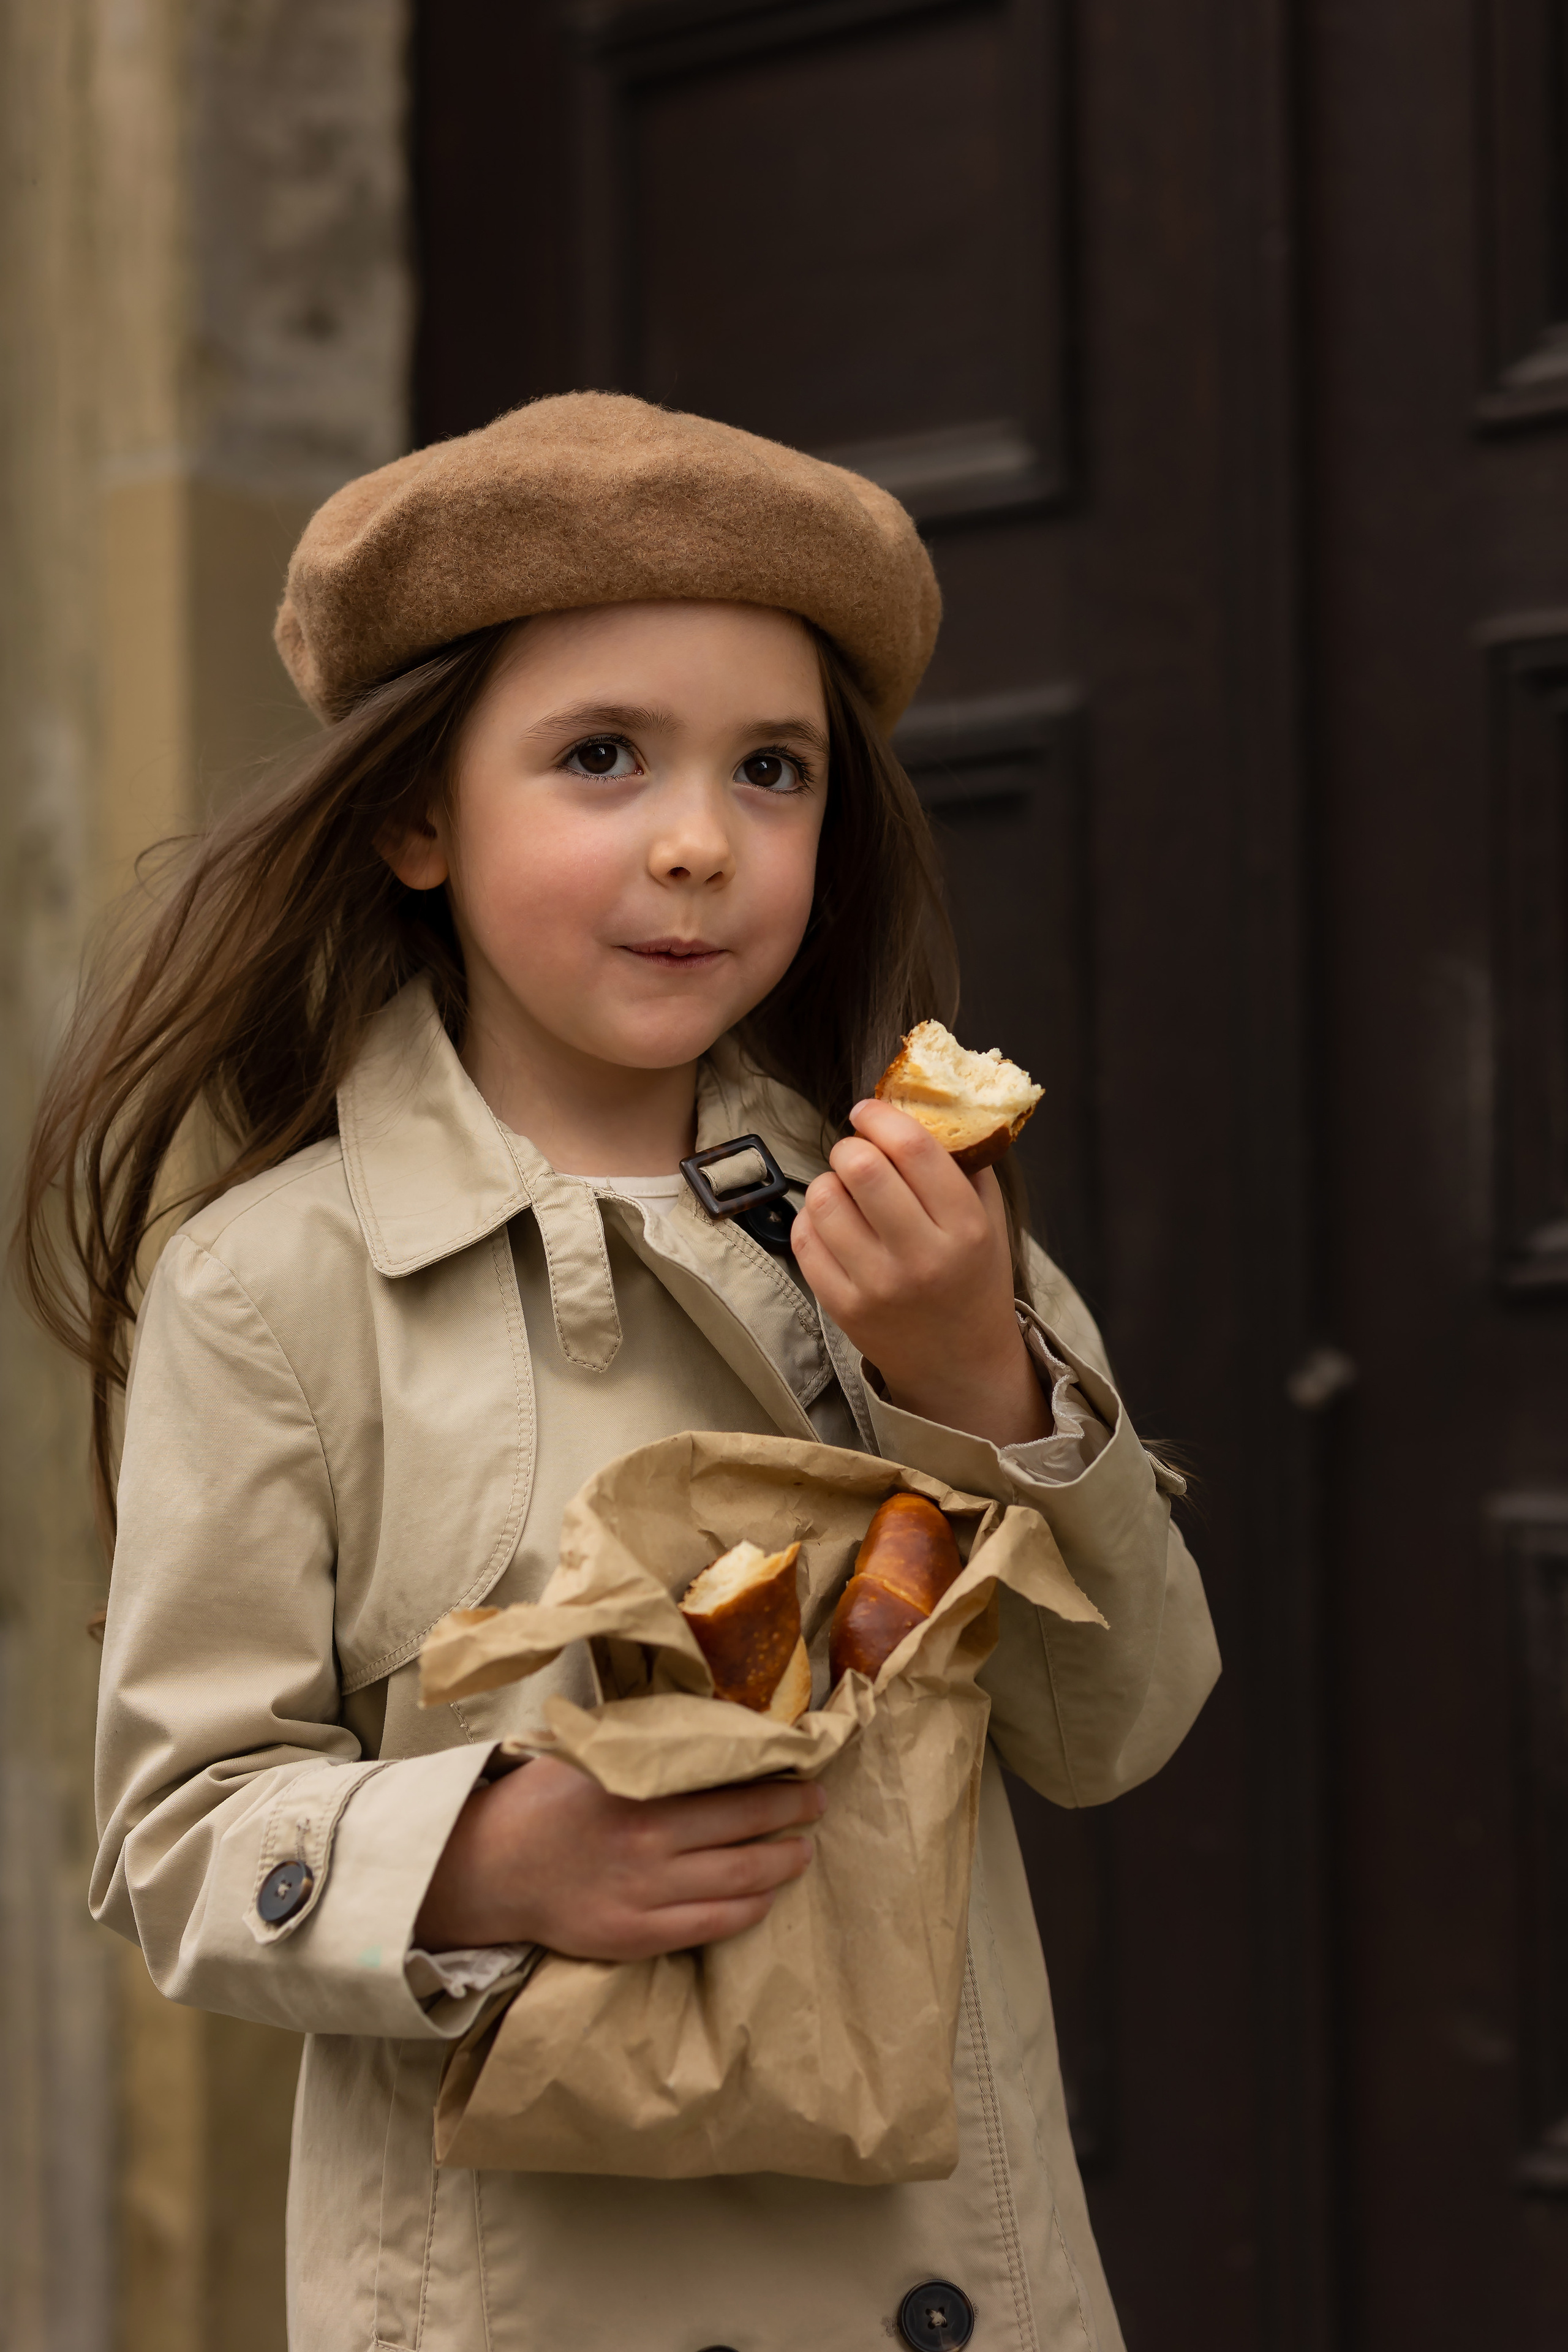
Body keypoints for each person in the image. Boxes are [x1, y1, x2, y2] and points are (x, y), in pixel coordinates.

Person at [19, 393, 1219, 2352]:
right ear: (417, 818)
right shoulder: (274, 1288)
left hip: (952, 2276)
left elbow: (1122, 1728)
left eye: (773, 770)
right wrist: (486, 1856)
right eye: (600, 758)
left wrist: (973, 1382)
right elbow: (178, 1842)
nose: (696, 843)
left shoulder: (914, 1227)